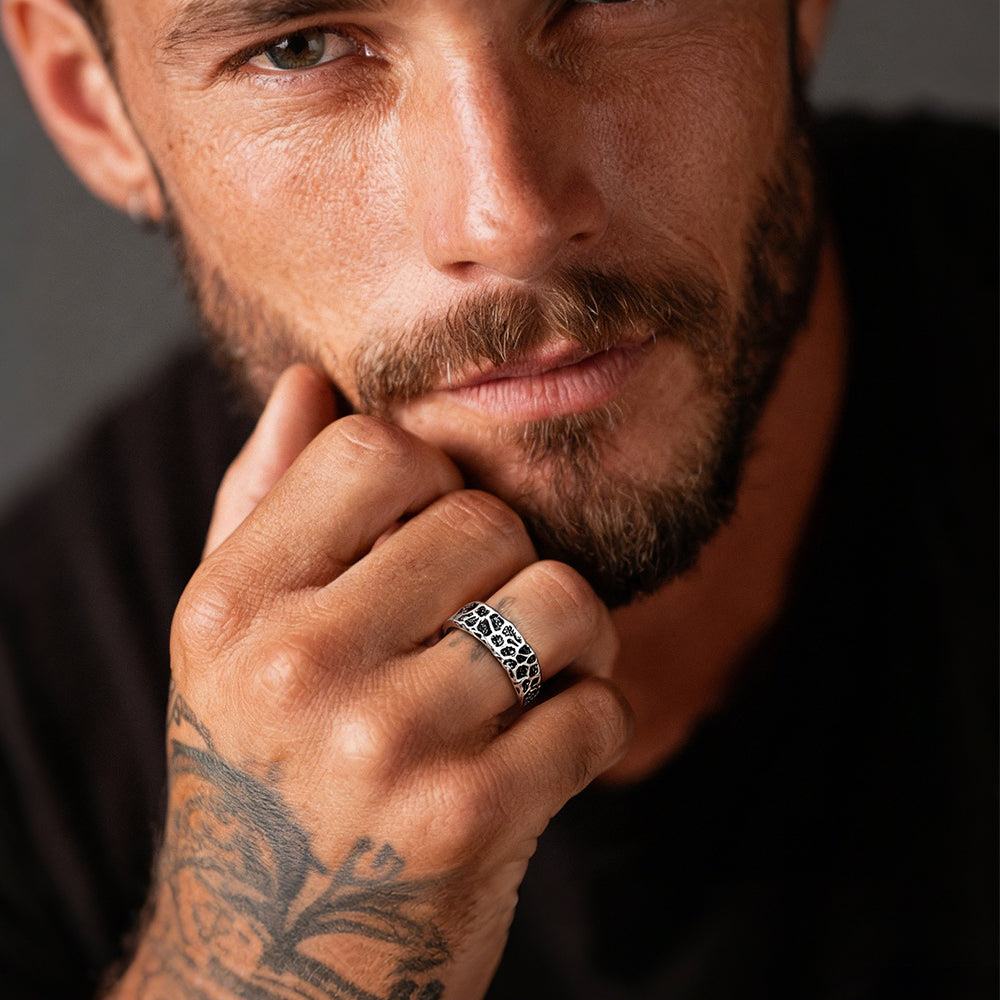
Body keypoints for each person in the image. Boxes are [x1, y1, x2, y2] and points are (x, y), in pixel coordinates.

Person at [0, 0, 995, 997]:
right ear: (96, 105)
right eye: (298, 48)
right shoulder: (32, 742)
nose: (507, 215)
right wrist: (254, 976)